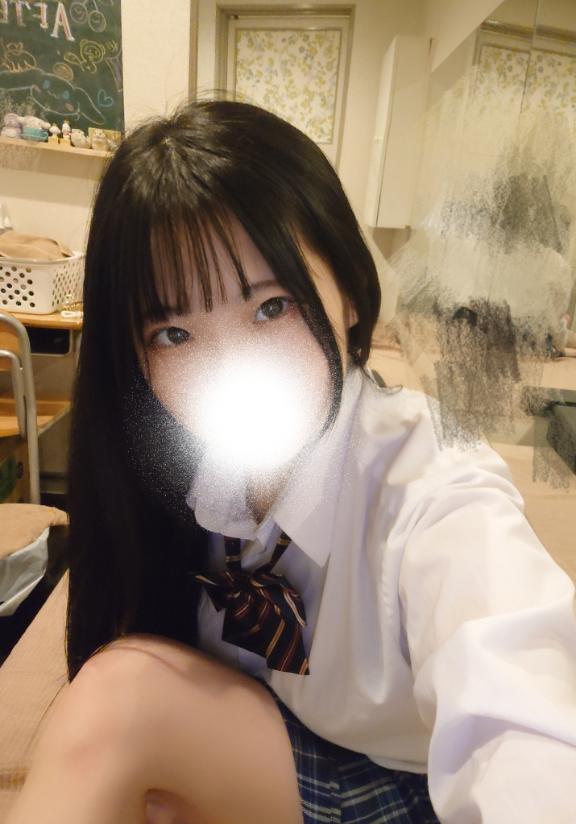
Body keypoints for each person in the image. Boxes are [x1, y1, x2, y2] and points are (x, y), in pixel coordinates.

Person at [7, 100, 576, 824]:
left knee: (115, 701)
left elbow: (523, 719)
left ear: (349, 296)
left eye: (271, 308)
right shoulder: (173, 470)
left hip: (410, 787)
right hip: (283, 740)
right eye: (174, 333)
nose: (230, 373)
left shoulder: (432, 481)